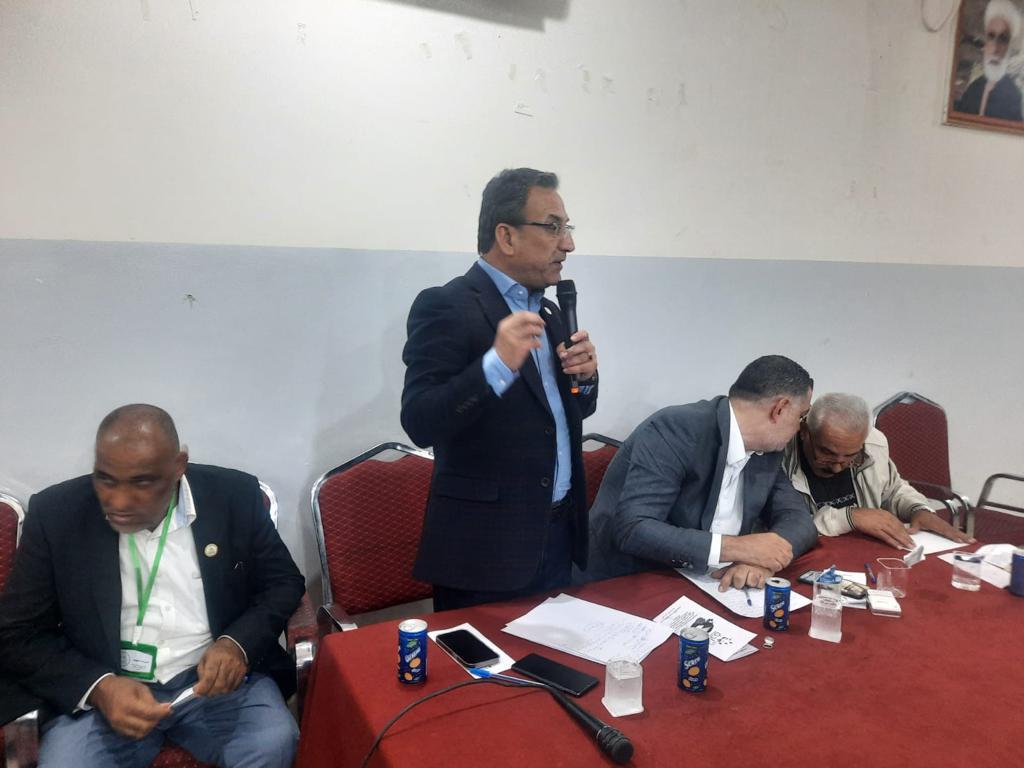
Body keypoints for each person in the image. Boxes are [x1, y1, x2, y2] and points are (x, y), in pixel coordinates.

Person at [0, 404, 304, 768]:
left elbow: (283, 582)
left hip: (213, 685)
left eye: (142, 482)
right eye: (105, 479)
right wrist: (99, 687)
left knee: (273, 742)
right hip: (107, 693)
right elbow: (17, 632)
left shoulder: (233, 496)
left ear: (178, 466)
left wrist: (236, 643)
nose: (118, 501)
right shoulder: (57, 514)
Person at [401, 167, 599, 610]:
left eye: (567, 228)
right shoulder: (447, 305)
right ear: (506, 236)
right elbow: (420, 420)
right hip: (484, 552)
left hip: (557, 535)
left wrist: (585, 381)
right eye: (553, 227)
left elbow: (562, 416)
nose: (568, 244)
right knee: (485, 660)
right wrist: (494, 366)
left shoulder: (549, 313)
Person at [586, 355, 818, 591]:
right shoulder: (676, 429)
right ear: (779, 409)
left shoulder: (766, 451)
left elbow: (798, 519)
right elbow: (634, 528)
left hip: (711, 585)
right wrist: (737, 548)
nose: (798, 428)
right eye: (801, 416)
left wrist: (759, 562)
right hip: (626, 581)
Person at [783, 392, 975, 549]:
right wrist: (849, 517)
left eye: (850, 456)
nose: (837, 467)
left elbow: (894, 490)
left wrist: (918, 509)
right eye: (827, 453)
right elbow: (779, 527)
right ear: (805, 432)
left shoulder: (873, 444)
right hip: (810, 555)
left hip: (864, 552)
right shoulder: (779, 454)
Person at [955, 0, 1023, 121]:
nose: (995, 49)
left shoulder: (1013, 96)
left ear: (1009, 47)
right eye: (991, 37)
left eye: (1003, 39)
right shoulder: (974, 88)